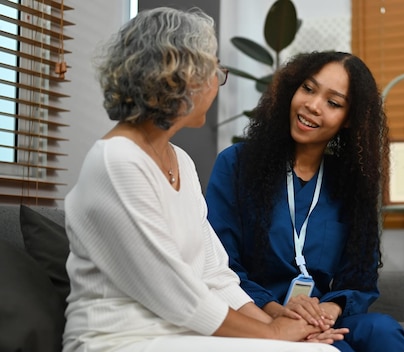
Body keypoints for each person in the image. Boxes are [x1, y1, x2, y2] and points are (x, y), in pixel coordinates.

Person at [62, 8, 346, 352]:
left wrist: (281, 326)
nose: (218, 80)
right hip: (119, 339)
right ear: (179, 78)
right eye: (215, 70)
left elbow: (216, 274)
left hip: (178, 333)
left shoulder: (179, 159)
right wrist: (274, 335)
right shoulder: (117, 161)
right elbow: (175, 294)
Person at [205, 51, 404, 352]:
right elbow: (220, 263)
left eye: (333, 103)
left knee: (383, 332)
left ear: (348, 119)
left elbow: (360, 278)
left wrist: (329, 311)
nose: (313, 106)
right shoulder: (236, 165)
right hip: (258, 316)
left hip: (322, 316)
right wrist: (279, 317)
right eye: (308, 89)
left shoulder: (350, 183)